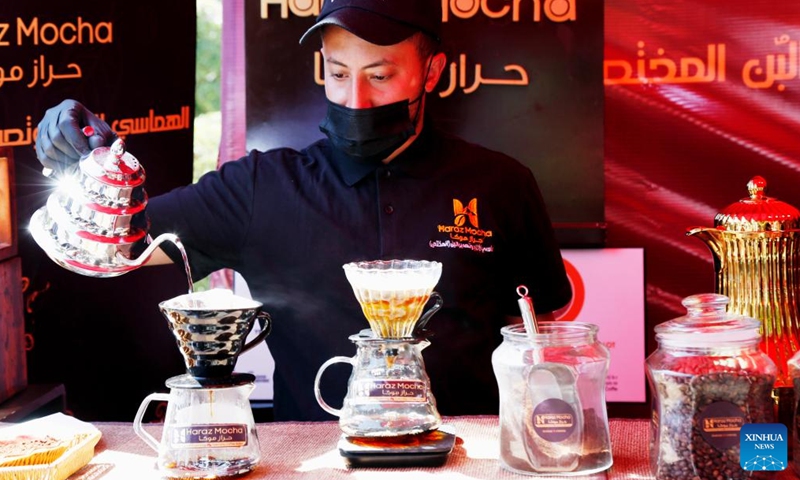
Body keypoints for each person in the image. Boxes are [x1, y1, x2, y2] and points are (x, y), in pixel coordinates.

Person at [34, 0, 572, 421]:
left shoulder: (501, 184)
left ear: (431, 72)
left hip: (468, 455)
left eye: (380, 76)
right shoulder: (262, 186)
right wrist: (90, 162)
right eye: (339, 73)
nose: (355, 99)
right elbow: (121, 244)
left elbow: (537, 329)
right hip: (313, 459)